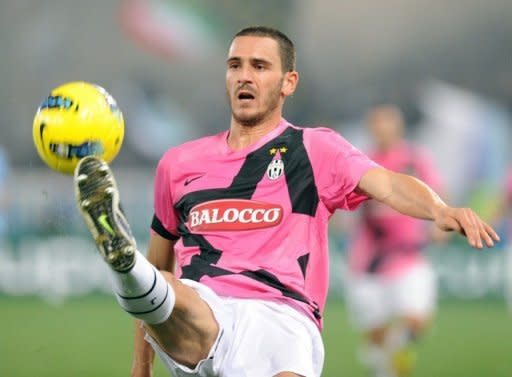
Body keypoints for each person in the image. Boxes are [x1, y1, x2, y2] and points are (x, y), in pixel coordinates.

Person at [73, 26, 499, 377]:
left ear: (287, 82)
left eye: (260, 66)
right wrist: (139, 369)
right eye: (235, 65)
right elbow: (161, 260)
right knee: (162, 285)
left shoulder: (315, 149)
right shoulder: (178, 164)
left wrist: (441, 209)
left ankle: (126, 271)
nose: (244, 76)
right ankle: (123, 264)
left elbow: (387, 184)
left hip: (283, 316)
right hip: (204, 306)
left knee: (159, 288)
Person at [343, 105, 446, 377]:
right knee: (376, 335)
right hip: (368, 264)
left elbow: (438, 197)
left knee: (416, 321)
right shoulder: (361, 161)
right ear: (371, 129)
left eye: (389, 125)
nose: (384, 131)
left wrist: (440, 226)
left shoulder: (415, 160)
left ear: (398, 128)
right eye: (378, 125)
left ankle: (392, 355)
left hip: (408, 258)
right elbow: (342, 206)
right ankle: (386, 365)